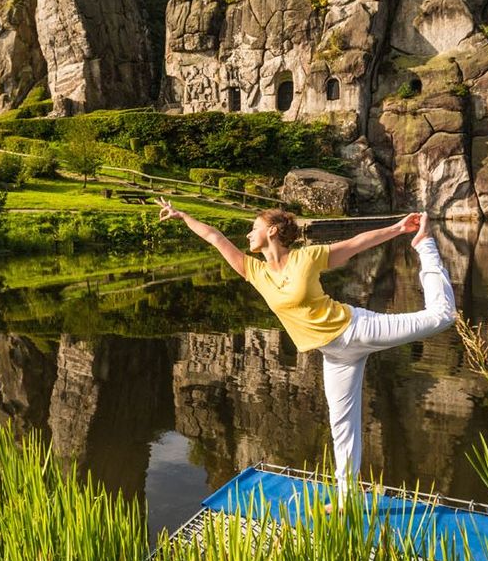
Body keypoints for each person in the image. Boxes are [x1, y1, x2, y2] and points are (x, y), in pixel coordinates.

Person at [157, 199, 456, 502]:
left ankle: (426, 245)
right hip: (335, 354)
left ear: (272, 231)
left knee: (442, 317)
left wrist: (398, 229)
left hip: (355, 329)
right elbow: (214, 237)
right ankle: (346, 497)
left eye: (254, 228)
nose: (248, 234)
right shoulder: (255, 271)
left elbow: (355, 244)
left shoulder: (307, 257)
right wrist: (183, 216)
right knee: (342, 424)